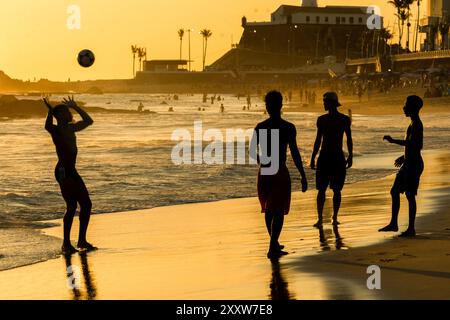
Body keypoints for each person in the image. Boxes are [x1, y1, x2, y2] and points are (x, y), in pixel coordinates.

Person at [253, 91, 308, 259]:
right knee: (277, 210)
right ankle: (272, 246)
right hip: (279, 171)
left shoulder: (260, 127)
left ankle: (274, 243)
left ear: (267, 107)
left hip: (264, 171)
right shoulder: (288, 127)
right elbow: (295, 153)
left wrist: (262, 162)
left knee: (269, 210)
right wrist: (303, 175)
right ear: (281, 106)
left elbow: (252, 152)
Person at [44, 96, 95, 254]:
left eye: (68, 111)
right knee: (73, 206)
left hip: (71, 170)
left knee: (85, 205)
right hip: (63, 171)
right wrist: (50, 112)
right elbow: (47, 126)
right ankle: (66, 243)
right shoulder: (57, 130)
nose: (69, 114)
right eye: (66, 112)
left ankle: (81, 240)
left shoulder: (71, 128)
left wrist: (76, 107)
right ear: (59, 116)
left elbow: (89, 121)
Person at [379, 95, 424, 237]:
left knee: (410, 195)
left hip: (414, 164)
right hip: (409, 162)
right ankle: (394, 223)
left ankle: (411, 228)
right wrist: (404, 156)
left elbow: (417, 145)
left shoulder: (416, 124)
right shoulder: (413, 123)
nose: (403, 108)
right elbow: (413, 145)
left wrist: (393, 141)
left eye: (406, 105)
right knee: (394, 191)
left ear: (413, 107)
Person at [310, 92, 353, 227]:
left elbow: (349, 138)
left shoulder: (340, 120)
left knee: (332, 189)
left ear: (331, 103)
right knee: (326, 189)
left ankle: (332, 217)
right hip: (330, 157)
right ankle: (324, 218)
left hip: (331, 157)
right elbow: (318, 140)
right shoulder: (326, 119)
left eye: (325, 101)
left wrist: (351, 155)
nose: (323, 104)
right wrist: (313, 157)